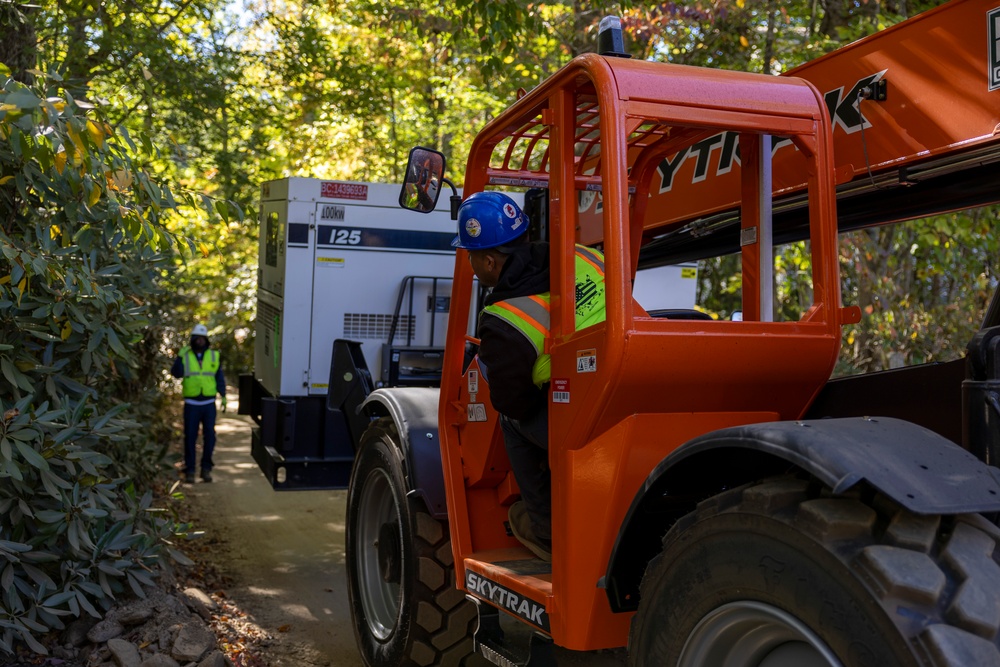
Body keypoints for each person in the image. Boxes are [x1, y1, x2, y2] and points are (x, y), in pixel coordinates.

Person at [452, 191, 606, 562]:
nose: (471, 266)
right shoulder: (588, 256)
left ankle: (547, 531)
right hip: (626, 390)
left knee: (509, 419)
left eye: (470, 256)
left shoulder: (504, 321)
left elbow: (513, 400)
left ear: (489, 261)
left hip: (583, 417)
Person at [171, 324, 226, 483]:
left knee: (210, 436)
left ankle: (206, 469)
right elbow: (176, 374)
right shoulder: (186, 356)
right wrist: (179, 358)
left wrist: (223, 395)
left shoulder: (214, 356)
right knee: (190, 437)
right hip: (191, 403)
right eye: (197, 338)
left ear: (206, 340)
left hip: (209, 402)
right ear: (193, 340)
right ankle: (190, 470)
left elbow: (219, 377)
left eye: (202, 338)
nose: (200, 341)